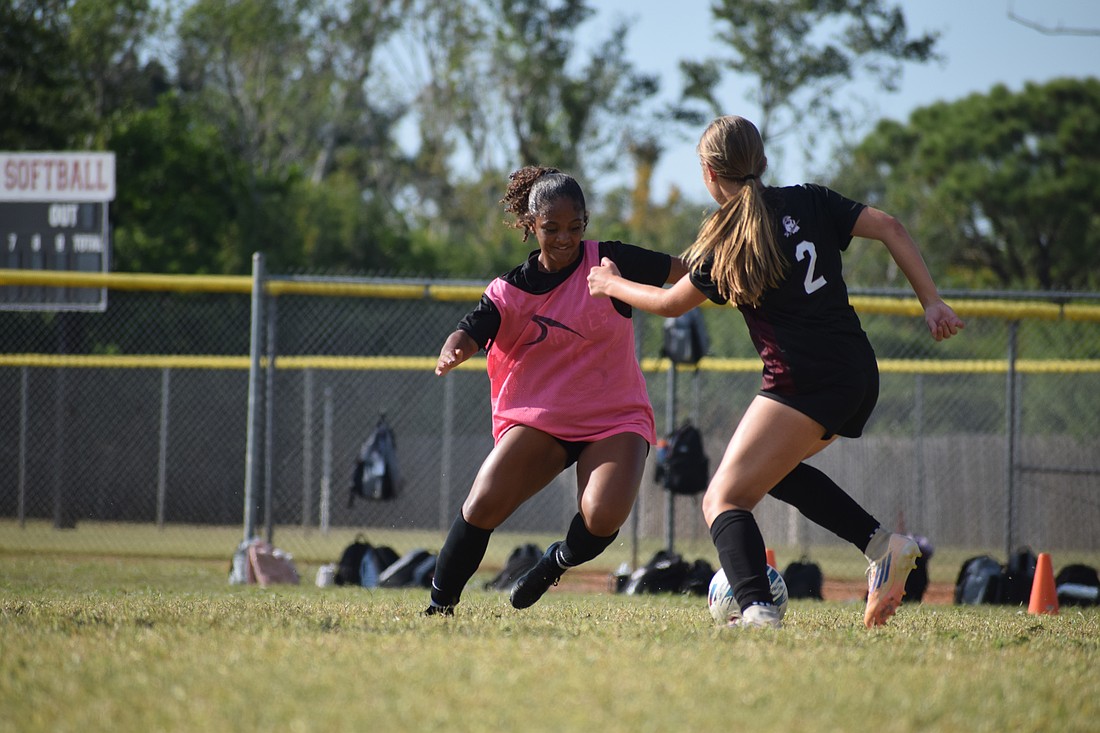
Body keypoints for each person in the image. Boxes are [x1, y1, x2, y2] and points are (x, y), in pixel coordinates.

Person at [588, 115, 964, 629]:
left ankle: (758, 611)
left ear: (708, 173)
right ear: (761, 162)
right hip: (856, 372)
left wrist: (609, 283)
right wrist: (932, 302)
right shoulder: (809, 199)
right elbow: (890, 227)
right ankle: (883, 546)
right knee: (775, 472)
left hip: (802, 381)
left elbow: (670, 304)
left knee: (724, 497)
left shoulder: (729, 240)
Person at [425, 165, 688, 616]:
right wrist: (452, 351)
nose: (565, 237)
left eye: (575, 226)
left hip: (615, 416)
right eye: (551, 228)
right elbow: (468, 331)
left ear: (586, 222)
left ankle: (554, 563)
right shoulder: (509, 291)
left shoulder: (609, 261)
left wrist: (737, 271)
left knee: (603, 516)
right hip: (540, 417)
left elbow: (686, 273)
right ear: (531, 225)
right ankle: (439, 607)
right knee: (483, 502)